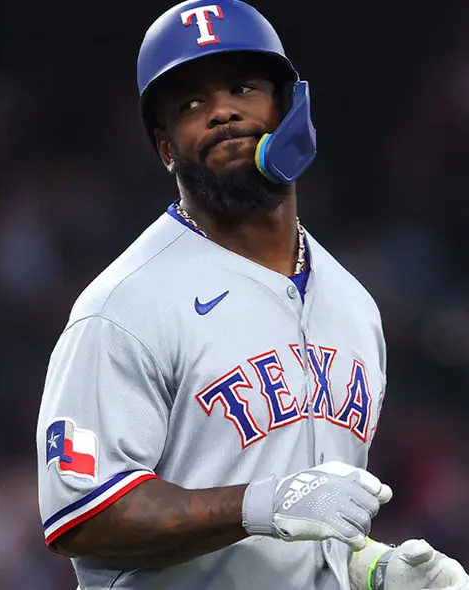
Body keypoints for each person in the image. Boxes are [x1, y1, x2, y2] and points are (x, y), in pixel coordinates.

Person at [34, 1, 469, 589]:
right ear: (166, 147)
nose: (221, 112)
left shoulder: (354, 305)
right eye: (190, 103)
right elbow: (82, 517)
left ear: (288, 108)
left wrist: (369, 569)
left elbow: (305, 516)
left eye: (242, 87)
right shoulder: (121, 306)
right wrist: (260, 505)